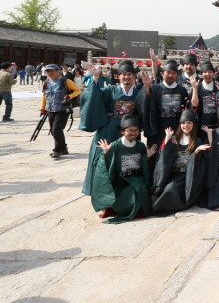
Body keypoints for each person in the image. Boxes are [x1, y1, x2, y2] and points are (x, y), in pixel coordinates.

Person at [80, 60, 148, 195]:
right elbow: (94, 97)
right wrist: (95, 77)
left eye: (130, 74)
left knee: (127, 161)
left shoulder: (138, 93)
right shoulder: (110, 90)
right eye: (123, 74)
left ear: (134, 77)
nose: (126, 77)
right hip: (109, 130)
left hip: (129, 133)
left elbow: (144, 111)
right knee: (102, 158)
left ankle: (125, 191)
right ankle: (99, 191)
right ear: (118, 76)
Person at [90, 114, 157, 223]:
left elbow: (142, 162)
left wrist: (147, 156)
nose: (133, 133)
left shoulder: (140, 145)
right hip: (121, 180)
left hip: (136, 177)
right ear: (122, 131)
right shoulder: (116, 146)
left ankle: (139, 210)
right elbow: (102, 165)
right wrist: (106, 153)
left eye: (136, 130)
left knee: (139, 186)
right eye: (129, 130)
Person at [151, 109, 209, 213]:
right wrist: (167, 139)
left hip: (188, 175)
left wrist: (196, 152)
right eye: (183, 123)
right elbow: (164, 157)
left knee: (172, 191)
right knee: (168, 189)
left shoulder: (197, 141)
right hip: (174, 174)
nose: (186, 126)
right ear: (180, 125)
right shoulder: (174, 139)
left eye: (189, 123)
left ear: (193, 125)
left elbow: (198, 165)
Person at [140, 60, 190, 146]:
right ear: (162, 74)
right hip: (158, 127)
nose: (170, 75)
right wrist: (147, 87)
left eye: (174, 73)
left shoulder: (182, 90)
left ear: (177, 75)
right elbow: (146, 105)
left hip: (176, 127)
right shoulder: (155, 88)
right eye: (168, 72)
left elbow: (185, 110)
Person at [40, 64, 82, 159]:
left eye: (52, 71)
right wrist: (42, 108)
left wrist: (69, 96)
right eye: (48, 71)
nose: (50, 73)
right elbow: (44, 96)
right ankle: (63, 148)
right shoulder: (46, 82)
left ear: (58, 71)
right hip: (50, 109)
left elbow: (78, 90)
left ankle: (57, 150)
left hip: (62, 109)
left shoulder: (66, 81)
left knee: (56, 130)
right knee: (53, 130)